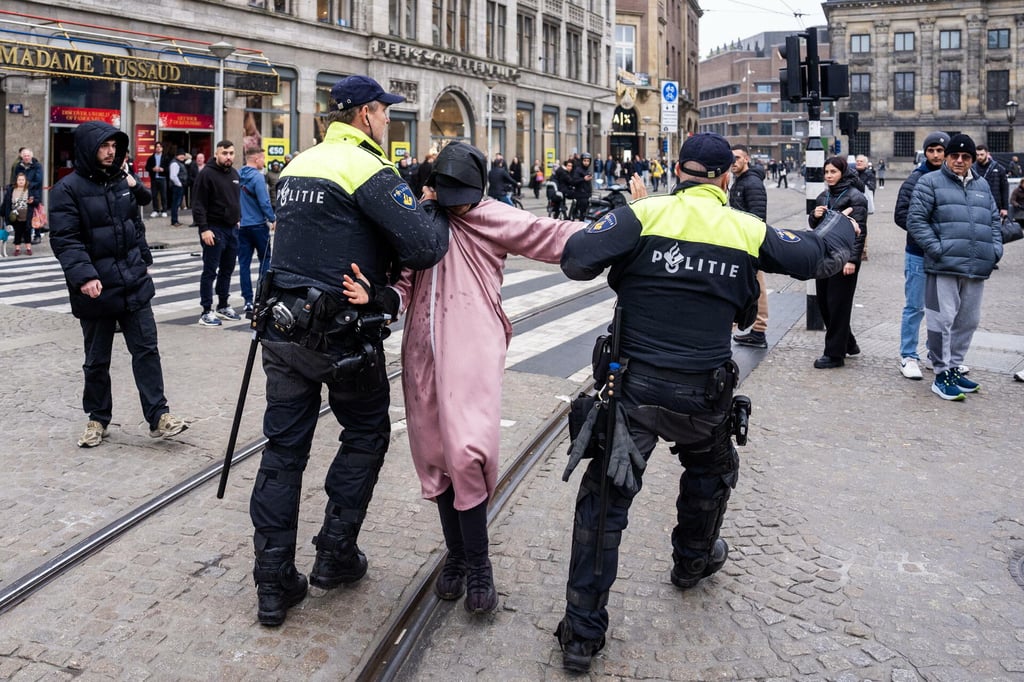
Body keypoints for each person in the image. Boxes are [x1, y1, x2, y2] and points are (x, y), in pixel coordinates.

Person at [553, 132, 858, 673]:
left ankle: (582, 634)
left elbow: (575, 258)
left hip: (633, 391)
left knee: (605, 503)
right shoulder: (743, 227)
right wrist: (842, 220)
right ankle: (692, 562)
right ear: (724, 179)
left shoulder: (644, 215)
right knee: (711, 472)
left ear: (677, 170)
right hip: (703, 392)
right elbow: (816, 257)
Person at [343, 142, 585, 615]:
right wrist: (376, 296)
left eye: (463, 196)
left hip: (471, 347)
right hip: (422, 352)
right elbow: (405, 283)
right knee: (434, 456)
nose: (457, 205)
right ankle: (455, 556)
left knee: (467, 452)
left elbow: (553, 235)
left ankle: (479, 565)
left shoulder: (496, 216)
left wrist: (626, 224)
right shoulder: (421, 220)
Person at [247, 74, 449, 628]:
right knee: (365, 432)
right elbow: (426, 247)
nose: (389, 121)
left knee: (282, 451)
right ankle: (335, 553)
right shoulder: (366, 166)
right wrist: (429, 204)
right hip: (343, 339)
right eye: (386, 112)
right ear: (364, 114)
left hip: (283, 332)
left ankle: (272, 582)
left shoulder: (297, 165)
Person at [49, 121, 187, 447]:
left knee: (146, 350)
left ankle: (158, 416)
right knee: (97, 360)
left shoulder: (121, 182)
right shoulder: (66, 190)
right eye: (104, 146)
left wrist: (145, 265)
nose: (111, 152)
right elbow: (66, 240)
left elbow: (134, 227)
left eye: (114, 145)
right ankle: (98, 419)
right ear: (87, 148)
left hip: (133, 281)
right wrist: (84, 277)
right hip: (95, 288)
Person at [907, 134, 1002, 401]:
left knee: (968, 321)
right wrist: (938, 249)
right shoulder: (930, 182)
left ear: (972, 159)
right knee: (942, 321)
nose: (960, 161)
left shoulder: (982, 185)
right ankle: (940, 373)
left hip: (976, 266)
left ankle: (954, 367)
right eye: (955, 156)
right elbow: (916, 221)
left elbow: (994, 221)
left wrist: (995, 251)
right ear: (948, 157)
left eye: (966, 157)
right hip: (943, 266)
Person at [893, 131, 948, 381]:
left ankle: (934, 355)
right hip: (918, 252)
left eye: (940, 150)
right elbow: (901, 214)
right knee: (915, 306)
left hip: (947, 254)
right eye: (931, 150)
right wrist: (928, 235)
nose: (935, 155)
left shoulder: (956, 178)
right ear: (925, 153)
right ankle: (908, 355)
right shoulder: (915, 179)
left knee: (943, 309)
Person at [809, 156, 868, 369]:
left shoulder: (856, 197)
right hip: (824, 256)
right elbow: (816, 226)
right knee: (824, 303)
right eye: (826, 172)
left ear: (842, 172)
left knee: (838, 305)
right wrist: (814, 216)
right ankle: (849, 343)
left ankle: (835, 354)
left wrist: (852, 260)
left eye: (833, 172)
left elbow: (860, 232)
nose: (828, 176)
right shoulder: (823, 196)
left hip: (845, 258)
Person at [192, 139, 242, 327]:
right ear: (216, 154)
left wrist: (238, 219)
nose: (228, 157)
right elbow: (198, 205)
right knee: (210, 271)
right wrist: (204, 229)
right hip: (214, 229)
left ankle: (223, 305)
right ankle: (206, 310)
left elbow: (235, 200)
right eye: (224, 153)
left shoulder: (234, 174)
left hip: (231, 230)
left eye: (231, 153)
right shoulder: (206, 174)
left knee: (227, 270)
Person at [729, 144, 769, 349]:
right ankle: (748, 328)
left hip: (749, 243)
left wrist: (749, 243)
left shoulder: (751, 183)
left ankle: (759, 330)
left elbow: (757, 216)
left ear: (746, 159)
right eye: (731, 158)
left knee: (757, 285)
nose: (733, 162)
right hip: (739, 241)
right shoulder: (738, 182)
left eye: (737, 158)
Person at [238, 145, 276, 319]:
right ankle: (261, 297)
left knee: (244, 264)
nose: (264, 161)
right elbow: (264, 202)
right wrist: (273, 218)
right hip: (259, 226)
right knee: (265, 261)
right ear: (256, 159)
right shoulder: (258, 178)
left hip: (243, 226)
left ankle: (247, 299)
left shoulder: (238, 176)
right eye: (263, 158)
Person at [10, 147, 44, 244]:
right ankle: (23, 236)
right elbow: (16, 179)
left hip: (34, 193)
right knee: (22, 214)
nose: (26, 157)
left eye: (28, 155)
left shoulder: (37, 166)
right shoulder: (18, 166)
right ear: (21, 156)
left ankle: (37, 236)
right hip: (21, 193)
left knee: (35, 215)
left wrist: (26, 185)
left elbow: (38, 180)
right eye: (24, 155)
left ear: (31, 156)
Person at [2, 171, 40, 256]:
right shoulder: (11, 189)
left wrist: (32, 201)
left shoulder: (30, 189)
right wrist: (3, 212)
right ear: (16, 181)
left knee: (28, 232)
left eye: (23, 180)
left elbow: (37, 201)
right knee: (18, 232)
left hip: (27, 215)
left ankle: (28, 248)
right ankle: (17, 249)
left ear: (26, 181)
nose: (21, 181)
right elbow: (6, 202)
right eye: (19, 180)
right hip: (15, 216)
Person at [973, 144, 1009, 220]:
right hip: (976, 205)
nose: (979, 157)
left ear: (988, 154)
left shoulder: (999, 168)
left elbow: (1004, 189)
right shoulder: (972, 169)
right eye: (977, 155)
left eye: (982, 154)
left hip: (995, 206)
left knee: (994, 229)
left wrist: (1005, 208)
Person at [145, 142, 169, 217]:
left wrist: (163, 169)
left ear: (162, 148)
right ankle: (155, 210)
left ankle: (164, 210)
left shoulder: (166, 157)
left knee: (163, 195)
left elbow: (169, 168)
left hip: (163, 178)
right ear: (155, 148)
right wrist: (152, 169)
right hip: (154, 178)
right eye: (157, 147)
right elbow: (147, 167)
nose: (158, 148)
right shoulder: (151, 158)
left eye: (160, 147)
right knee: (154, 195)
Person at [570, 153, 594, 219]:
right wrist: (583, 179)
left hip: (587, 194)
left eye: (588, 161)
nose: (586, 163)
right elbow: (573, 181)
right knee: (582, 214)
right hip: (580, 195)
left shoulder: (587, 169)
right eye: (585, 161)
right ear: (581, 161)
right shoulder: (577, 169)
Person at [168, 149, 188, 227]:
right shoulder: (175, 164)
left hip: (179, 186)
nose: (182, 156)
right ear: (177, 155)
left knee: (177, 204)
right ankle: (174, 221)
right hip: (177, 186)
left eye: (183, 155)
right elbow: (173, 176)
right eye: (181, 155)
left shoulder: (178, 162)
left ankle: (175, 220)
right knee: (175, 204)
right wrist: (179, 184)